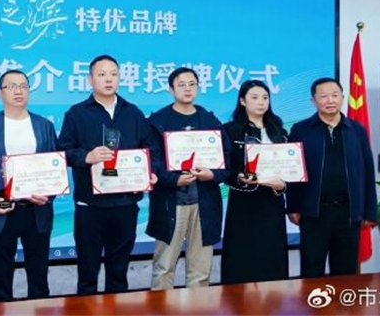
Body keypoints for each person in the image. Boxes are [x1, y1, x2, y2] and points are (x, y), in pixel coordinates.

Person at [58, 54, 159, 295]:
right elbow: (63, 152)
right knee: (87, 273)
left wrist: (150, 172)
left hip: (125, 204)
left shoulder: (133, 113)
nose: (108, 79)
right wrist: (87, 157)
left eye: (113, 74)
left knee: (119, 272)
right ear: (90, 79)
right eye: (102, 74)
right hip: (90, 206)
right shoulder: (76, 114)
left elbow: (151, 149)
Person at [0, 70, 58, 301]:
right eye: (11, 86)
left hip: (37, 210)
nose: (18, 91)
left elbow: (56, 167)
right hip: (2, 209)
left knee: (39, 279)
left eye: (23, 86)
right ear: (0, 93)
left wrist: (48, 195)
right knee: (1, 280)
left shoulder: (44, 125)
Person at [147, 67, 230, 289]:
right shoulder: (158, 121)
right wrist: (174, 180)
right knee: (164, 267)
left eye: (192, 84)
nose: (187, 89)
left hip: (204, 203)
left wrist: (212, 174)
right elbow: (152, 161)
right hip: (171, 202)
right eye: (182, 84)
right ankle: (160, 307)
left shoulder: (210, 120)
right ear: (171, 89)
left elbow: (226, 159)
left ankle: (198, 306)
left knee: (200, 272)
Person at [286, 78, 378, 278]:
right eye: (324, 96)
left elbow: (368, 171)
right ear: (313, 101)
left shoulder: (357, 130)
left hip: (348, 213)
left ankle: (344, 300)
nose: (330, 100)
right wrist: (292, 206)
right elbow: (293, 171)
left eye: (335, 95)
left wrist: (370, 210)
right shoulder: (301, 130)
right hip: (314, 212)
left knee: (345, 273)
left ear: (343, 98)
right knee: (311, 271)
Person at [221, 80, 289, 284]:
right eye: (255, 97)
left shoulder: (279, 130)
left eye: (265, 98)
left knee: (272, 253)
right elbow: (224, 168)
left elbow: (289, 166)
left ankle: (272, 298)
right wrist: (239, 178)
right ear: (242, 101)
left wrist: (283, 186)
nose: (261, 102)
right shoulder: (230, 130)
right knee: (242, 255)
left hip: (272, 201)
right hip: (244, 202)